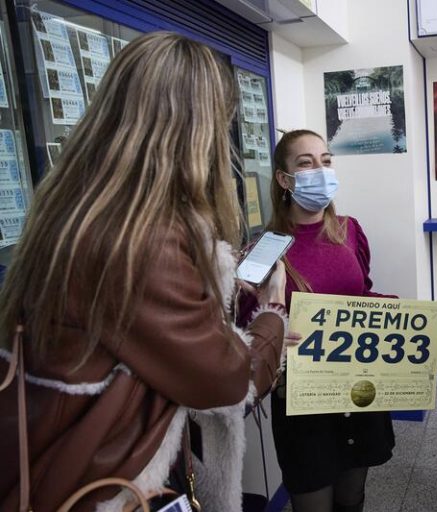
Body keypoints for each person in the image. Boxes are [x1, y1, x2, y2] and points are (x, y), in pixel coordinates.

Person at [0, 32, 287, 511]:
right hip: (110, 489)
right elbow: (228, 381)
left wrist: (200, 291)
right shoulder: (140, 240)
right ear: (196, 128)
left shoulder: (76, 210)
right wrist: (273, 312)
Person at [237, 129, 437, 512]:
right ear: (284, 179)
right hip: (302, 403)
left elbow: (361, 301)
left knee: (352, 497)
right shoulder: (263, 250)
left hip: (357, 390)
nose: (320, 170)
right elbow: (246, 331)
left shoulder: (349, 230)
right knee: (313, 501)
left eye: (325, 160)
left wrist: (414, 319)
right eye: (306, 163)